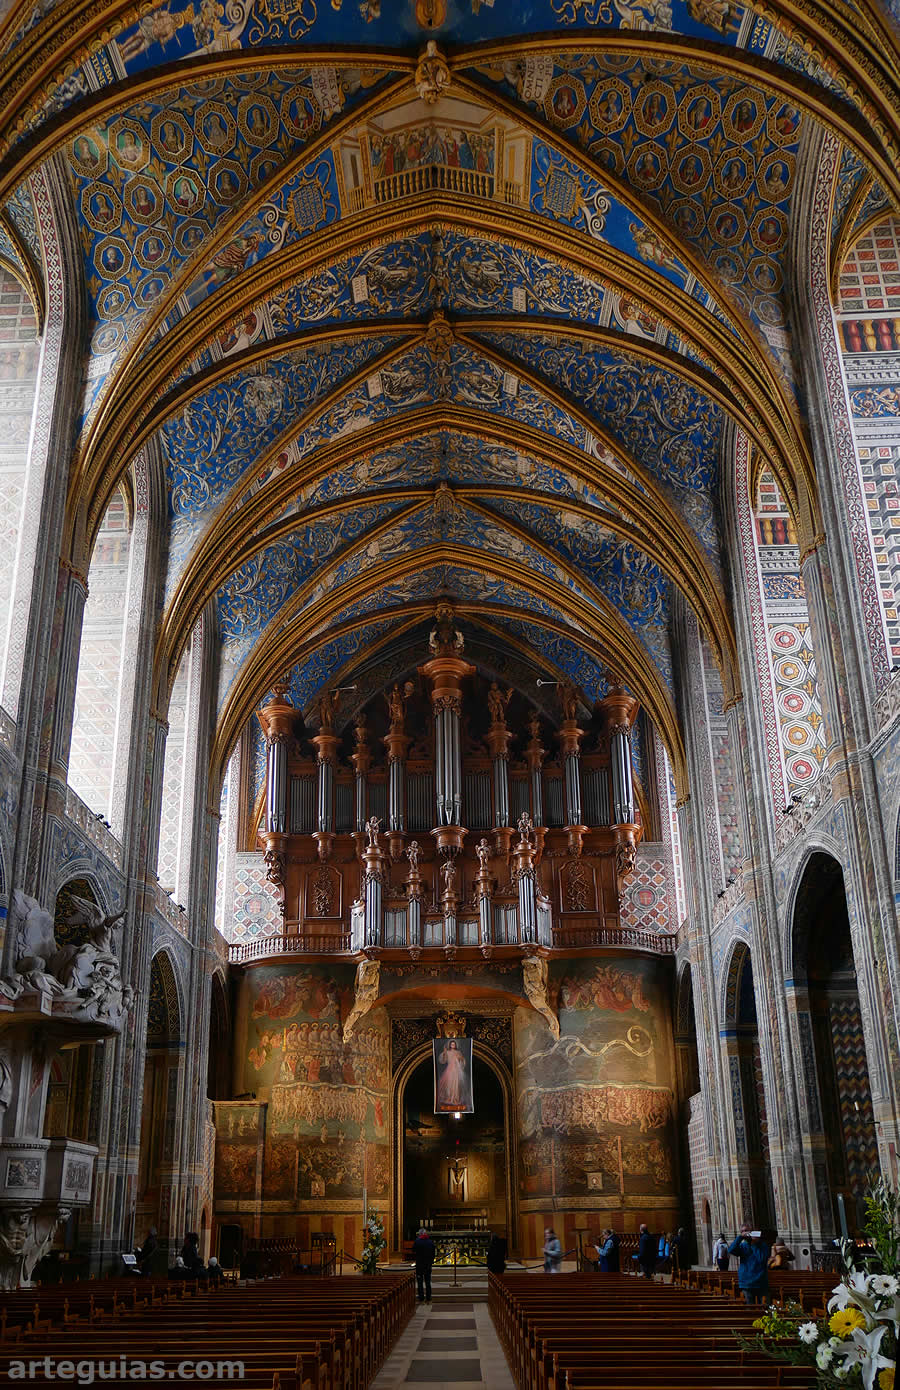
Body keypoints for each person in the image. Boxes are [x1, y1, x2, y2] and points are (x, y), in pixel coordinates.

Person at [728, 1225, 771, 1304]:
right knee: (750, 1307)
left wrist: (754, 1244)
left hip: (760, 1282)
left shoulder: (762, 1245)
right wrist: (739, 1238)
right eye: (743, 1231)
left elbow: (762, 1259)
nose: (745, 1233)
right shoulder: (743, 1246)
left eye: (747, 1231)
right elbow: (731, 1250)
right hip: (746, 1282)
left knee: (765, 1308)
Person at [413, 1227, 435, 1303]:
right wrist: (431, 1262)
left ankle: (421, 1298)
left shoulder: (417, 1241)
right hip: (428, 1265)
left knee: (420, 1282)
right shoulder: (430, 1242)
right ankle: (428, 1298)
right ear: (425, 1234)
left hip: (419, 1265)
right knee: (428, 1282)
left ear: (419, 1234)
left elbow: (414, 1251)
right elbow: (433, 1253)